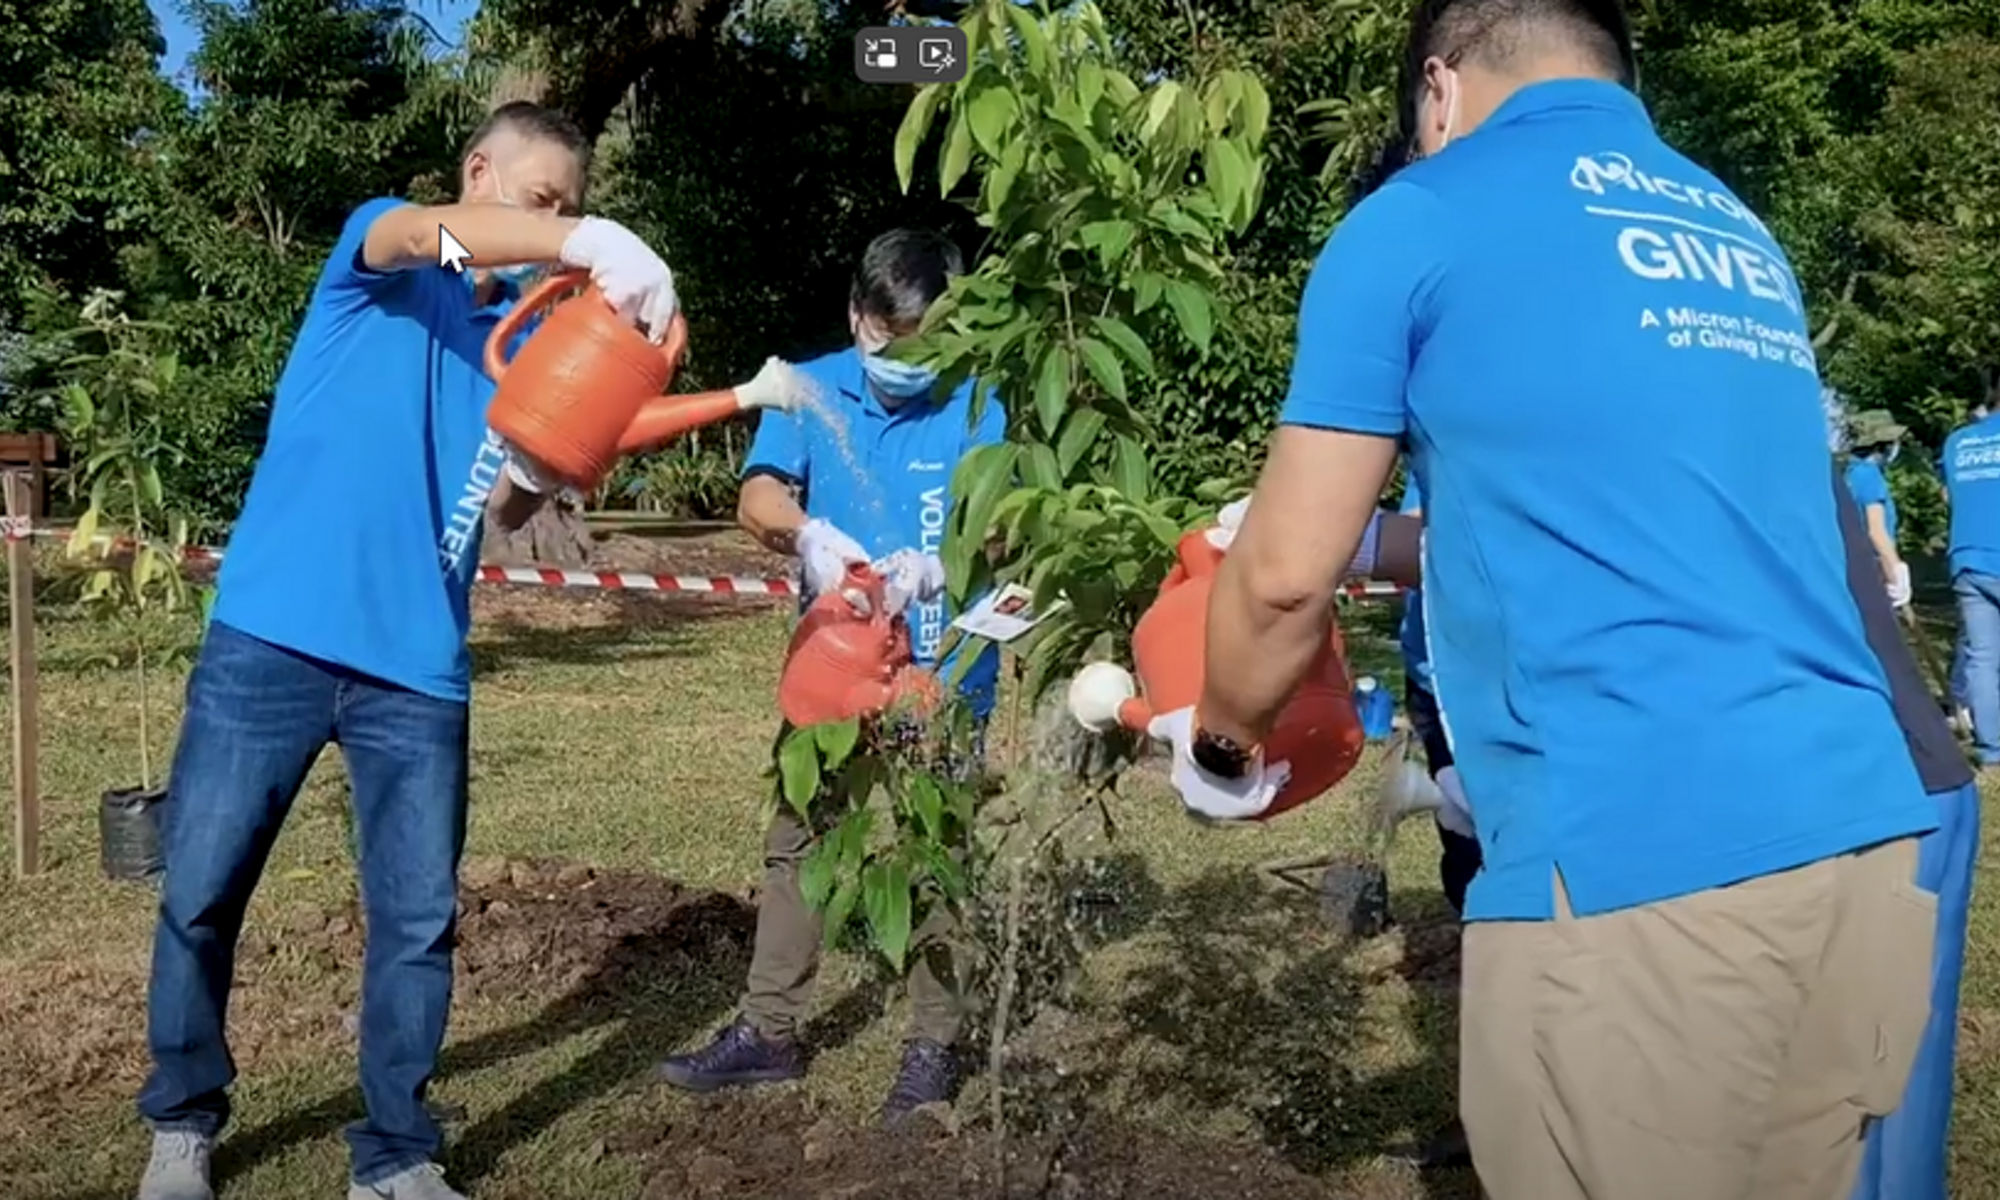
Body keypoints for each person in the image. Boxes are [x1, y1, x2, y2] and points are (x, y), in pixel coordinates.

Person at [1159, 1, 1941, 1196]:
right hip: (1854, 839)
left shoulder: (1417, 216)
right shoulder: (1731, 229)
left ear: (1438, 89)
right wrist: (1379, 540)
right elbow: (1628, 518)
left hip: (1637, 863)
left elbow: (1276, 583)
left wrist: (1219, 745)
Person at [137, 102, 683, 1200]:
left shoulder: (529, 342)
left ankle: (393, 1157)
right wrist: (588, 243)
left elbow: (518, 512)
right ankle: (181, 1125)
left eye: (573, 209)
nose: (562, 225)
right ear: (478, 171)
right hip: (271, 637)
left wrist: (559, 458)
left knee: (416, 925)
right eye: (544, 202)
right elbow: (423, 237)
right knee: (200, 890)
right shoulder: (386, 249)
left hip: (417, 668)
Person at [654, 228, 1004, 1123]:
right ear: (857, 317)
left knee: (936, 856)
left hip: (941, 668)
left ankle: (933, 1048)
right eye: (888, 339)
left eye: (924, 342)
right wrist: (807, 532)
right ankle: (770, 1031)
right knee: (800, 839)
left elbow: (1009, 526)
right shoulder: (810, 388)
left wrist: (942, 560)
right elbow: (757, 494)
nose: (903, 361)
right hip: (836, 669)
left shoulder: (979, 403)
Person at [1829, 459, 1982, 1200]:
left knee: (1841, 1092)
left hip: (1869, 796)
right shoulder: (1809, 463)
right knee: (1905, 1070)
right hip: (1931, 777)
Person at [1942, 402, 2000, 765]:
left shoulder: (1958, 441)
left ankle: (1992, 751)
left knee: (1982, 659)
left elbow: (1947, 495)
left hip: (1967, 557)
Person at [1844, 408, 1912, 610]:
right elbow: (1876, 531)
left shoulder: (1851, 473)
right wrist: (1895, 573)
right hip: (1872, 569)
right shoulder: (1869, 476)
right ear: (1882, 445)